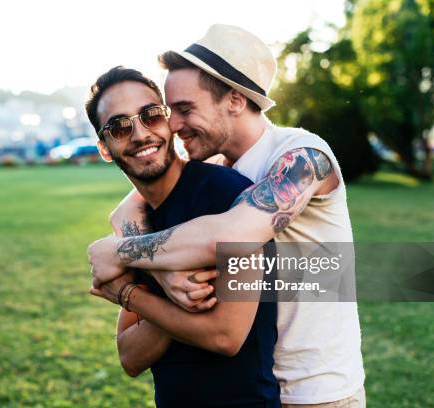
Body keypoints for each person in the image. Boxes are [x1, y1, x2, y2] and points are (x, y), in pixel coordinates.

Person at [88, 24, 366, 408]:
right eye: (170, 111)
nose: (174, 125)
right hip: (257, 384)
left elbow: (230, 234)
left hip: (316, 391)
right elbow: (131, 204)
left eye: (185, 109)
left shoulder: (302, 156)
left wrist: (119, 254)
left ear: (234, 100)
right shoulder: (219, 163)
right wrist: (166, 277)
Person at [85, 66, 281, 407]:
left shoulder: (227, 197)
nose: (140, 134)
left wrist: (130, 294)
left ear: (169, 121)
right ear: (104, 147)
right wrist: (173, 296)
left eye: (150, 115)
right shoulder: (137, 223)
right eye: (119, 126)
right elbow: (130, 357)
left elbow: (225, 335)